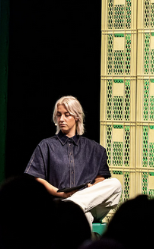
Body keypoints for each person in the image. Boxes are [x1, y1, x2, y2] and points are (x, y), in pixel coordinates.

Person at [24, 95, 121, 226]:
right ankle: (73, 208)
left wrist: (93, 188)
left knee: (115, 184)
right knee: (82, 215)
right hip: (59, 204)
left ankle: (73, 204)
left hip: (91, 204)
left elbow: (100, 178)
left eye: (67, 115)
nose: (61, 119)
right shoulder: (46, 146)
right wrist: (62, 194)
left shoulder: (94, 148)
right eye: (59, 115)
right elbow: (37, 179)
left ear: (77, 117)